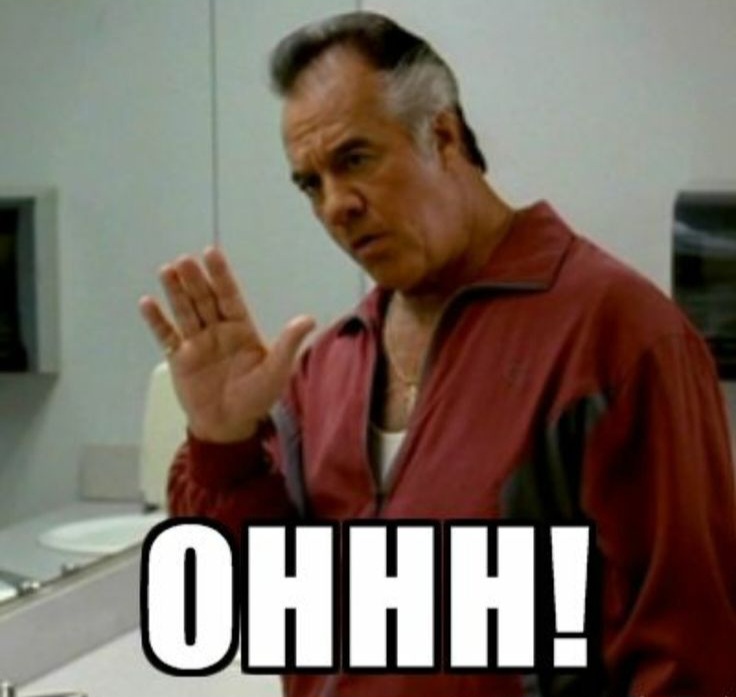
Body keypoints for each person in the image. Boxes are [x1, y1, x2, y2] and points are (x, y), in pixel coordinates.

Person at [138, 11, 736, 697]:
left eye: (354, 159)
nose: (335, 205)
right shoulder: (328, 367)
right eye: (311, 183)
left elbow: (689, 651)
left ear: (443, 136)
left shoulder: (618, 336)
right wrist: (222, 442)